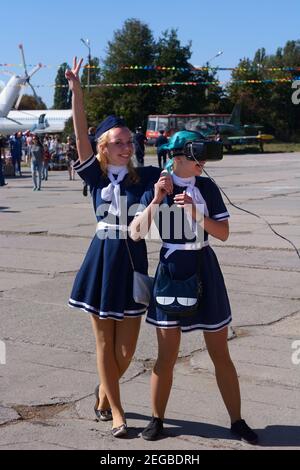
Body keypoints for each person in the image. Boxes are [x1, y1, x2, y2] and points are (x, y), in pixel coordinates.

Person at [130, 131, 258, 444]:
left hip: (204, 267)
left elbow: (223, 233)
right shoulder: (158, 186)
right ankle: (157, 419)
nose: (202, 163)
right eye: (196, 157)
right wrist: (158, 199)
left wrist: (195, 212)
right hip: (172, 270)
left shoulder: (206, 187)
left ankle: (237, 421)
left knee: (220, 353)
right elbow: (135, 233)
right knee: (166, 356)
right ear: (178, 157)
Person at [65, 57, 162, 438]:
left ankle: (104, 393)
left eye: (128, 141)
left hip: (134, 258)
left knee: (127, 351)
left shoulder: (146, 176)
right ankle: (118, 413)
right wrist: (77, 92)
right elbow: (79, 136)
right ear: (104, 147)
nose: (126, 147)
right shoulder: (96, 174)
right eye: (118, 142)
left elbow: (179, 177)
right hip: (101, 258)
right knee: (104, 343)